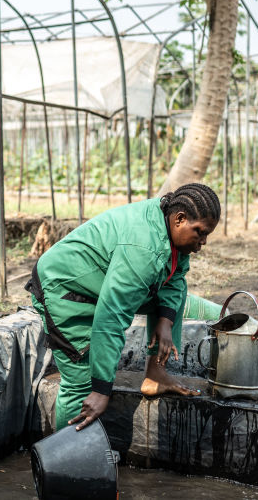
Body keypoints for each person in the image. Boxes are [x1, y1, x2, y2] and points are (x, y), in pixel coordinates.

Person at [26, 183, 221, 431]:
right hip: (64, 289)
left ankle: (156, 374)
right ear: (180, 219)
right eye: (200, 232)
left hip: (99, 283)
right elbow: (111, 318)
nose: (203, 242)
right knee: (80, 382)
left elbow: (176, 277)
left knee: (176, 296)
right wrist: (101, 390)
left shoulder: (168, 225)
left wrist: (166, 320)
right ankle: (67, 460)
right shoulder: (143, 249)